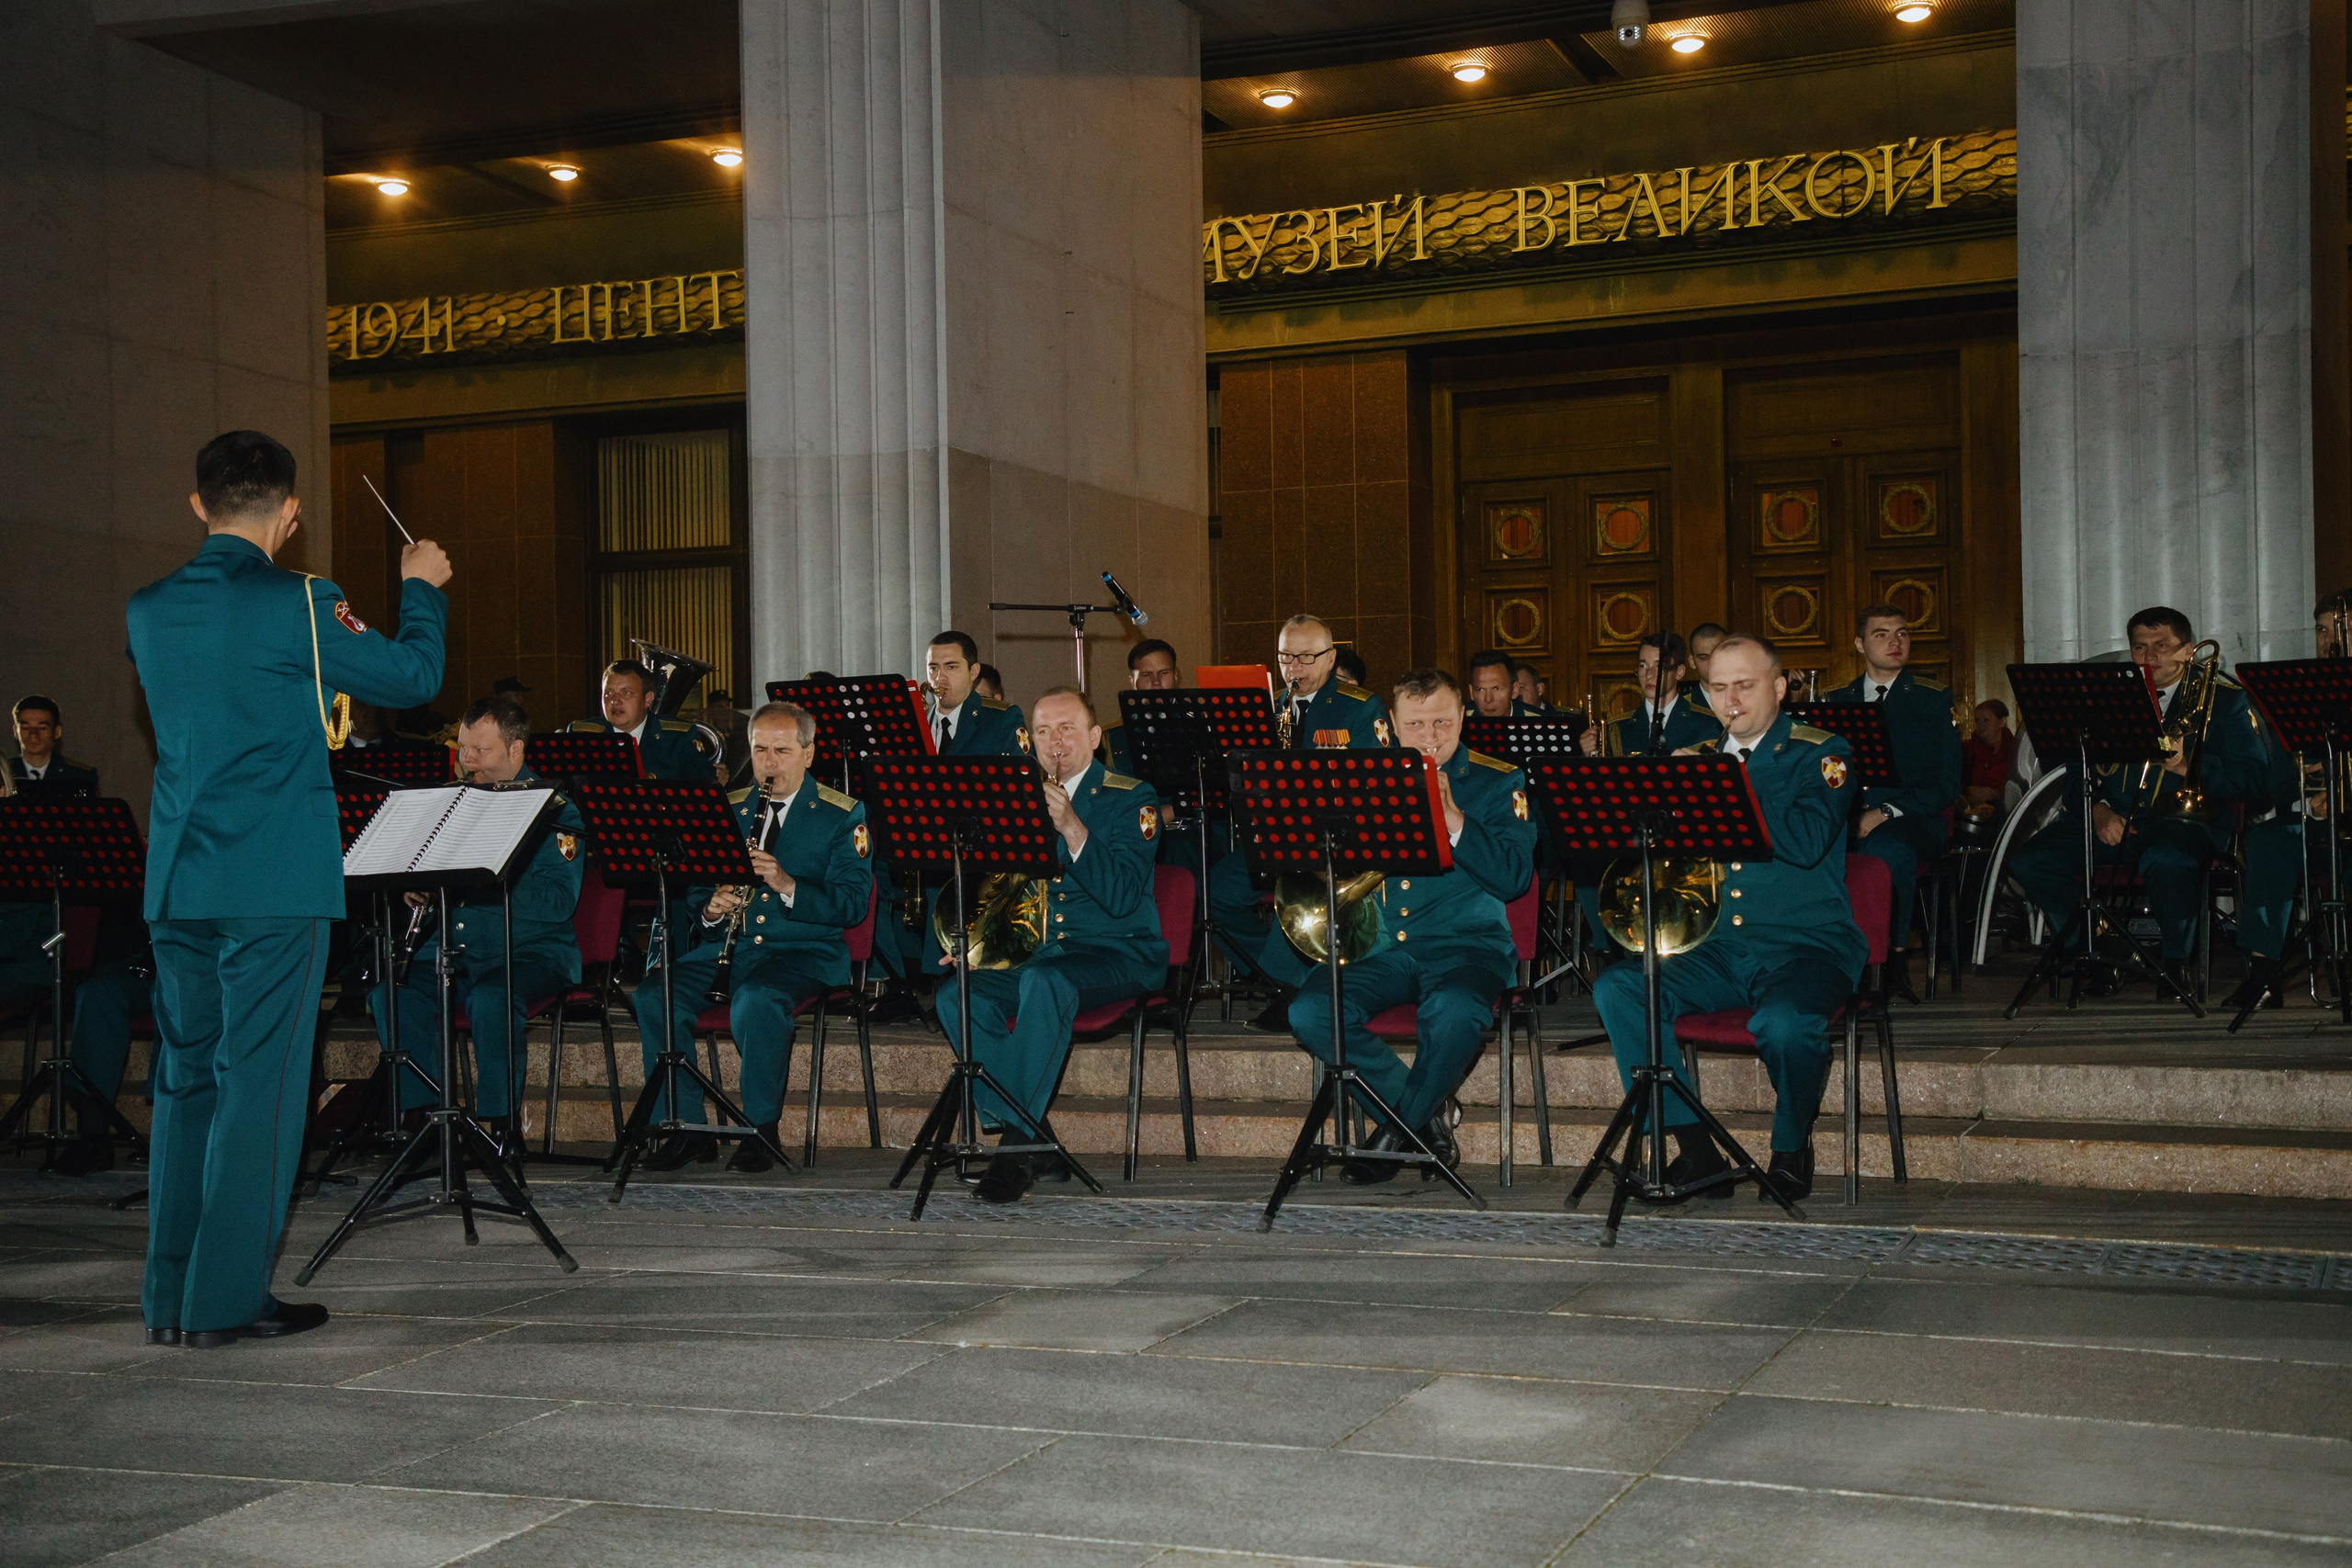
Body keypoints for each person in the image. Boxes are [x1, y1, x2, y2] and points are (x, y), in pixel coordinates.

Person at [128, 428, 448, 1348]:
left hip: (178, 878)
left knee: (187, 1081)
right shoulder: (302, 600)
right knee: (260, 1091)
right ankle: (224, 1303)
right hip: (272, 877)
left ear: (199, 504)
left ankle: (170, 1299)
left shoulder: (147, 608)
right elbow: (413, 677)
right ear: (292, 513)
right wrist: (421, 587)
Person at [1590, 635, 1862, 1201]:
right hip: (1716, 945)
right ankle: (1698, 1154)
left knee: (1785, 1025)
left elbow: (1807, 842)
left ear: (1779, 688)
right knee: (1621, 988)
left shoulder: (1822, 753)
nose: (1730, 700)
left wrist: (1724, 782)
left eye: (1744, 685)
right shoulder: (1698, 755)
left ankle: (1791, 1146)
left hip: (1806, 945)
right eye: (1717, 688)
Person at [1287, 668, 1535, 1181]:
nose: (1430, 737)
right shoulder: (1363, 781)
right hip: (1386, 948)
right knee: (1311, 1010)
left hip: (1469, 948)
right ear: (1391, 726)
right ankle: (1428, 1115)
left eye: (1442, 722)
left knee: (1455, 1009)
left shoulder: (1498, 780)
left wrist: (1453, 818)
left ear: (1463, 716)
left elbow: (1514, 879)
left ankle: (1394, 1134)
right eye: (1415, 725)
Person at [937, 686, 1166, 1203]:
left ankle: (1016, 1149)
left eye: (1066, 729)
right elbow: (1001, 888)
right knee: (957, 994)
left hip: (1118, 952)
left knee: (1046, 982)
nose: (1054, 742)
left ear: (1094, 736)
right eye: (1042, 731)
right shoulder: (1017, 798)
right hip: (1038, 955)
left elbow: (1122, 897)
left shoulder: (1131, 797)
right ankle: (1037, 1137)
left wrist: (1072, 827)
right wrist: (974, 943)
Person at [630, 702, 873, 1171]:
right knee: (654, 995)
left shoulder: (841, 813)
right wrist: (711, 910)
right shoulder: (729, 806)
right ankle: (685, 1128)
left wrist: (787, 884)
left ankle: (760, 1129)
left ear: (808, 753)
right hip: (729, 951)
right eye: (760, 750)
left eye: (782, 751)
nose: (769, 762)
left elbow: (852, 903)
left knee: (757, 999)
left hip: (802, 954)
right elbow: (697, 891)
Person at [2007, 607, 2271, 994]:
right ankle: (2100, 947)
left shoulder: (2225, 701)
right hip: (2112, 819)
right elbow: (2077, 770)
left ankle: (2176, 963)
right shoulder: (2105, 698)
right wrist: (2097, 811)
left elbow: (2256, 781)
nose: (2149, 657)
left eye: (2162, 646)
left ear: (2188, 650)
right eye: (2139, 647)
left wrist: (2186, 766)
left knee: (2168, 858)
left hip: (2182, 822)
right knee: (2030, 861)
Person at [368, 694, 582, 1155]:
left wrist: (491, 871)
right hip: (453, 952)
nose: (467, 760)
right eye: (463, 747)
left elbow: (559, 901)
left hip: (528, 953)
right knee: (391, 995)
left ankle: (501, 1126)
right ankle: (428, 1119)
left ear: (516, 749)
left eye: (480, 750)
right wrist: (418, 884)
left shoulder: (555, 810)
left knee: (492, 998)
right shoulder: (451, 801)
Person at [1208, 614, 1392, 1030]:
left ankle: (1292, 990)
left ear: (1330, 658)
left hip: (1337, 841)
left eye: (1307, 657)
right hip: (1274, 836)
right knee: (1213, 892)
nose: (1295, 668)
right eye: (1286, 657)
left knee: (1298, 885)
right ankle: (1273, 975)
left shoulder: (1360, 706)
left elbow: (1379, 781)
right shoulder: (1266, 709)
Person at [1825, 604, 1962, 995]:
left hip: (1915, 819)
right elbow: (1829, 772)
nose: (1895, 641)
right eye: (1881, 634)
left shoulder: (1931, 699)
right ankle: (1826, 958)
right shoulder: (1838, 700)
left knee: (1886, 849)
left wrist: (1885, 812)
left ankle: (1891, 960)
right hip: (1852, 818)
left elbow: (1946, 783)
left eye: (1902, 633)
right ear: (1860, 644)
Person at [567, 660, 718, 781]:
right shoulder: (582, 734)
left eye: (626, 693)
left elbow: (701, 786)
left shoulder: (678, 737)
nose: (614, 701)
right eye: (608, 693)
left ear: (648, 699)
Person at [1581, 633, 1720, 756]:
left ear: (1679, 672)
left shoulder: (1709, 724)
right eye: (1643, 666)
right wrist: (1589, 755)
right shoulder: (1616, 729)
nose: (1649, 675)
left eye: (1659, 667)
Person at [1102, 637, 1180, 775]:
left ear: (1176, 676)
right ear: (1133, 681)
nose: (1156, 681)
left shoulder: (1199, 723)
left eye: (1164, 673)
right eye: (1146, 675)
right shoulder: (1112, 736)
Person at [9, 696, 98, 789]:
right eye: (26, 728)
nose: (33, 734)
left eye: (42, 728)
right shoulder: (4, 775)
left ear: (57, 732)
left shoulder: (80, 776)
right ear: (16, 731)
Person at [1962, 699, 2017, 811]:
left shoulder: (2016, 751)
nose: (1980, 724)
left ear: (2002, 722)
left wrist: (1999, 794)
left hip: (2006, 811)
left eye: (1986, 720)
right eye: (1977, 720)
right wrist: (1969, 790)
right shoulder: (1966, 749)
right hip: (1972, 811)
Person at [1465, 649, 1521, 719]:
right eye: (1480, 690)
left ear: (1515, 690)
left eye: (1497, 688)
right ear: (1471, 692)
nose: (1488, 699)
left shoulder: (1533, 719)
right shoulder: (1460, 719)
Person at [1683, 622, 1728, 708]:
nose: (1712, 664)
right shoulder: (1682, 707)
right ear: (1692, 662)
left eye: (1717, 656)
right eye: (1704, 658)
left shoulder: (1749, 701)